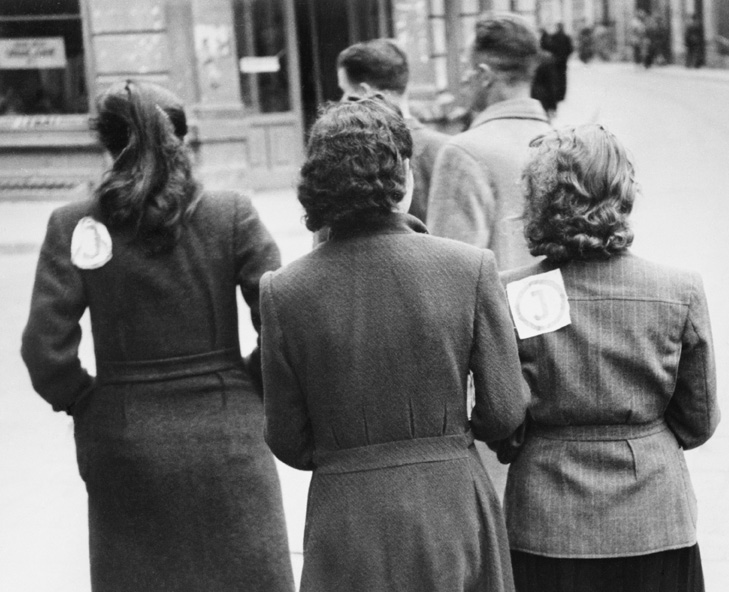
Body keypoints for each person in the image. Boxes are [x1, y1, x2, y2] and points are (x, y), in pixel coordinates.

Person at [21, 80, 294, 592]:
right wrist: (247, 383)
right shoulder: (230, 213)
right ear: (183, 140)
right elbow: (284, 322)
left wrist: (87, 401)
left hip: (125, 443)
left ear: (104, 145)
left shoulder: (75, 223)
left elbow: (44, 348)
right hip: (228, 437)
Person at [260, 96, 528, 592]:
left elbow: (287, 440)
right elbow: (506, 411)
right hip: (451, 504)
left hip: (346, 516)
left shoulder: (284, 291)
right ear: (403, 175)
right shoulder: (469, 268)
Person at [499, 124, 719, 592]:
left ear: (541, 200)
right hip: (655, 516)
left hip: (547, 518)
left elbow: (505, 421)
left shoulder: (512, 290)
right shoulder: (678, 291)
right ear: (623, 194)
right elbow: (697, 421)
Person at [427, 12, 551, 271]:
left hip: (496, 309)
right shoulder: (565, 145)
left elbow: (449, 274)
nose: (462, 78)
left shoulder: (463, 154)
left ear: (484, 75)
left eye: (465, 67)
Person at [335, 38, 448, 223]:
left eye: (346, 92)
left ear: (365, 93)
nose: (342, 100)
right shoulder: (447, 148)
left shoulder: (353, 152)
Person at [543, 23, 573, 105]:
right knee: (563, 78)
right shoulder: (566, 37)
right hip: (563, 61)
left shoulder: (554, 37)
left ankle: (556, 94)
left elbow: (549, 47)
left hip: (555, 61)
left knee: (555, 78)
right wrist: (566, 56)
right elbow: (570, 49)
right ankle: (562, 95)